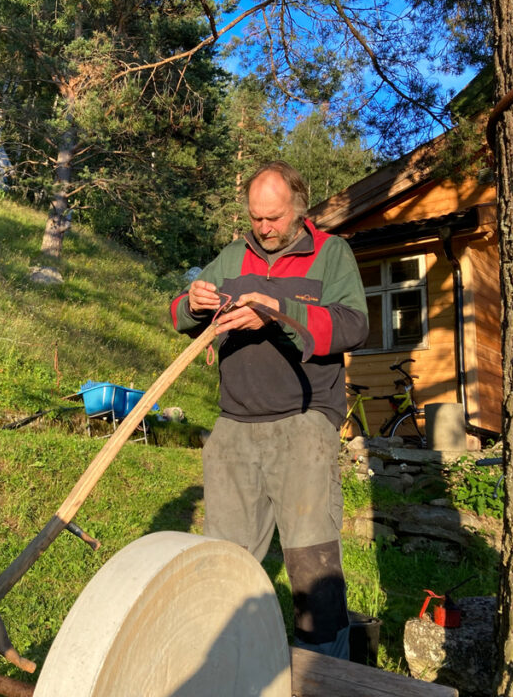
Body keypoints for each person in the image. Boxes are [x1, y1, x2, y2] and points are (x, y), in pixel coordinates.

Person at [170, 161, 368, 659]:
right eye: (256, 218)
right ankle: (231, 664)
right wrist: (193, 303)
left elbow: (353, 326)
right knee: (225, 557)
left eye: (274, 218)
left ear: (299, 209)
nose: (264, 229)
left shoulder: (331, 254)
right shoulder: (233, 255)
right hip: (234, 424)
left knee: (310, 558)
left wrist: (277, 312)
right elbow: (178, 315)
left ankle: (324, 672)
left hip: (303, 423)